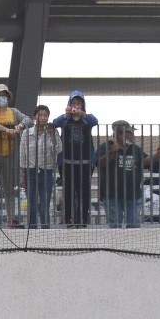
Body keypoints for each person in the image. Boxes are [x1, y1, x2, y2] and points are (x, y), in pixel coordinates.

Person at [0, 84, 31, 228]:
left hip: (10, 156)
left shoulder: (14, 112)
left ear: (8, 98)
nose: (0, 98)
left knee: (10, 189)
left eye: (3, 95)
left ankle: (11, 219)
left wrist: (19, 126)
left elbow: (28, 119)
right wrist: (6, 129)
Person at [52, 91, 99, 228]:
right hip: (67, 162)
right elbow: (54, 123)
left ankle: (83, 220)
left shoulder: (87, 119)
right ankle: (69, 220)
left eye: (79, 103)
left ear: (82, 105)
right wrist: (66, 114)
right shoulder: (65, 120)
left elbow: (95, 121)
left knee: (84, 192)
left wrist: (82, 114)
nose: (76, 106)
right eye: (73, 103)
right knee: (69, 192)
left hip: (85, 163)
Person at [95, 120, 154, 229]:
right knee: (115, 226)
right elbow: (99, 163)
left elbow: (145, 161)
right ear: (119, 134)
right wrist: (112, 152)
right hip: (112, 195)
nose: (132, 135)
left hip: (133, 194)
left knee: (134, 226)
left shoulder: (135, 149)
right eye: (129, 132)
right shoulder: (106, 147)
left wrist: (157, 156)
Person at [19, 105, 60, 229]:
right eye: (40, 115)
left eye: (45, 115)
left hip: (47, 172)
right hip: (30, 171)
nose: (42, 117)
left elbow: (58, 150)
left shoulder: (53, 132)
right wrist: (22, 174)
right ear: (35, 117)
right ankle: (32, 230)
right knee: (31, 205)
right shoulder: (27, 133)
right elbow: (22, 154)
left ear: (48, 117)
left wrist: (52, 135)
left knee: (44, 206)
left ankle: (45, 230)